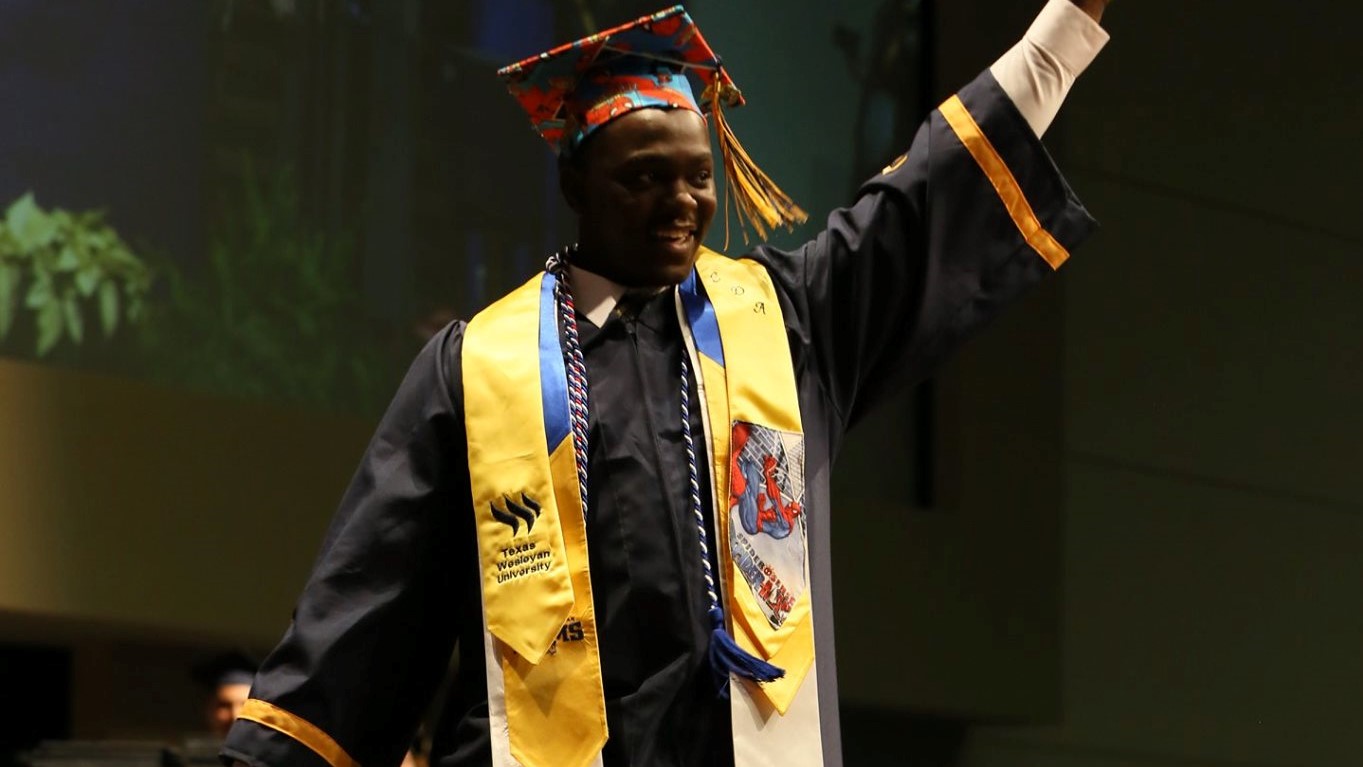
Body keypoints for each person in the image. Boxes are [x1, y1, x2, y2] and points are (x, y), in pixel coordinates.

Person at [222, 1, 1111, 766]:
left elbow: (920, 201)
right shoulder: (477, 367)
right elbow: (370, 605)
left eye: (695, 176)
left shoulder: (785, 320)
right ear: (575, 181)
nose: (679, 202)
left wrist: (1066, 25)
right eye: (643, 178)